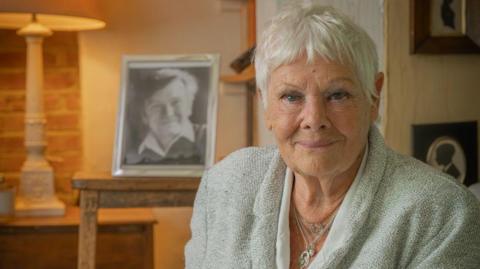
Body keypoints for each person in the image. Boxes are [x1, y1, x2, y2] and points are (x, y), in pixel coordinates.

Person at [185, 3, 480, 269]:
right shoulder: (224, 186)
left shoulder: (442, 214)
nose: (314, 119)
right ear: (264, 102)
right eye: (291, 97)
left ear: (374, 96)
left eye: (338, 95)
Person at [126, 69, 206, 165]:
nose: (168, 113)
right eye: (156, 106)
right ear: (144, 115)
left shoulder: (209, 138)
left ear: (189, 105)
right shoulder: (131, 153)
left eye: (175, 102)